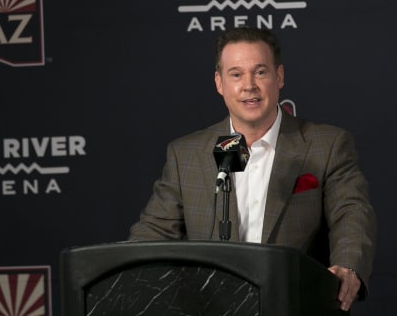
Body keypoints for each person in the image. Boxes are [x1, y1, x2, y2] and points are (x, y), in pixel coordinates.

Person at [129, 27, 377, 312]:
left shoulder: (326, 145)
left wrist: (348, 265)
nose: (249, 85)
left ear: (279, 77)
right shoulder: (186, 154)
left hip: (293, 305)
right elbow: (153, 233)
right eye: (236, 74)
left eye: (260, 72)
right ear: (219, 83)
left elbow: (351, 212)